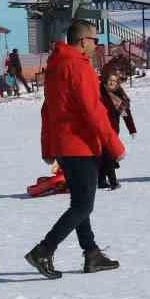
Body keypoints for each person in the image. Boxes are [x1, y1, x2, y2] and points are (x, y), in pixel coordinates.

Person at [25, 20, 124, 278]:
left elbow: (48, 110)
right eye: (95, 41)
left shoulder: (56, 65)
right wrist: (114, 144)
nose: (96, 45)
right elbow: (94, 110)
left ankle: (92, 254)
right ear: (83, 41)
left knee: (80, 202)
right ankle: (43, 250)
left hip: (65, 145)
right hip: (80, 145)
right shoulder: (79, 67)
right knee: (83, 206)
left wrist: (49, 146)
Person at [96, 61, 136, 190]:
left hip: (113, 130)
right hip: (100, 128)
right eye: (110, 80)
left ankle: (102, 181)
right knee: (107, 155)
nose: (112, 83)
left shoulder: (119, 96)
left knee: (107, 155)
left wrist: (132, 129)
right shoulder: (99, 92)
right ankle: (112, 181)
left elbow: (125, 114)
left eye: (114, 81)